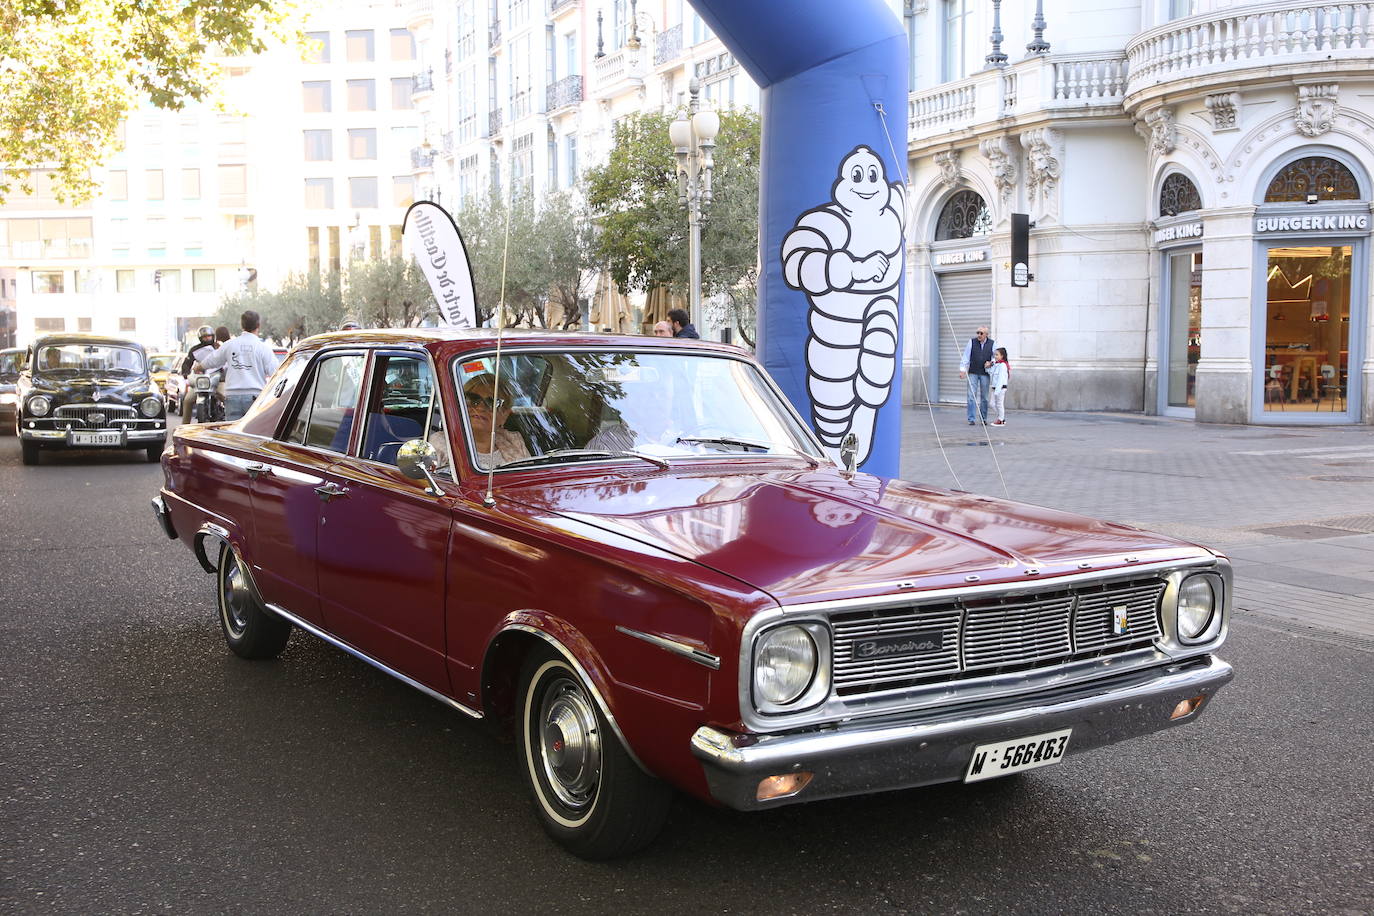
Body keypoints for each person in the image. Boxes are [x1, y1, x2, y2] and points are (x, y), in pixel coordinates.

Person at [196, 309, 282, 421]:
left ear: (242, 325)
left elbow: (212, 360)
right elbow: (275, 371)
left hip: (232, 396)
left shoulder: (230, 345)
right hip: (255, 398)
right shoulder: (263, 348)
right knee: (252, 433)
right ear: (258, 325)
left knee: (233, 435)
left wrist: (199, 367)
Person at [456, 372, 529, 469]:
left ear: (504, 415)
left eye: (492, 402)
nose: (481, 408)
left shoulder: (515, 441)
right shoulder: (441, 444)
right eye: (474, 400)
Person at [959, 326, 995, 425]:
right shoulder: (972, 342)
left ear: (986, 334)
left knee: (984, 397)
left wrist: (991, 362)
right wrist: (962, 370)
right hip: (973, 372)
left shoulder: (992, 343)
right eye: (977, 333)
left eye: (981, 333)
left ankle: (983, 418)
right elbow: (966, 356)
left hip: (985, 373)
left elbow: (996, 357)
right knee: (971, 396)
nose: (979, 335)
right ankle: (971, 419)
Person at [988, 347, 1011, 426]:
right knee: (992, 403)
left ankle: (1001, 420)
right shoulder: (997, 364)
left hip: (1000, 388)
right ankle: (1001, 417)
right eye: (995, 355)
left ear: (1002, 356)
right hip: (995, 388)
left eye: (997, 355)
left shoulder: (1003, 365)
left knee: (999, 404)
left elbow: (1001, 379)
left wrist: (997, 391)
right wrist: (988, 366)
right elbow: (990, 372)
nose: (995, 356)